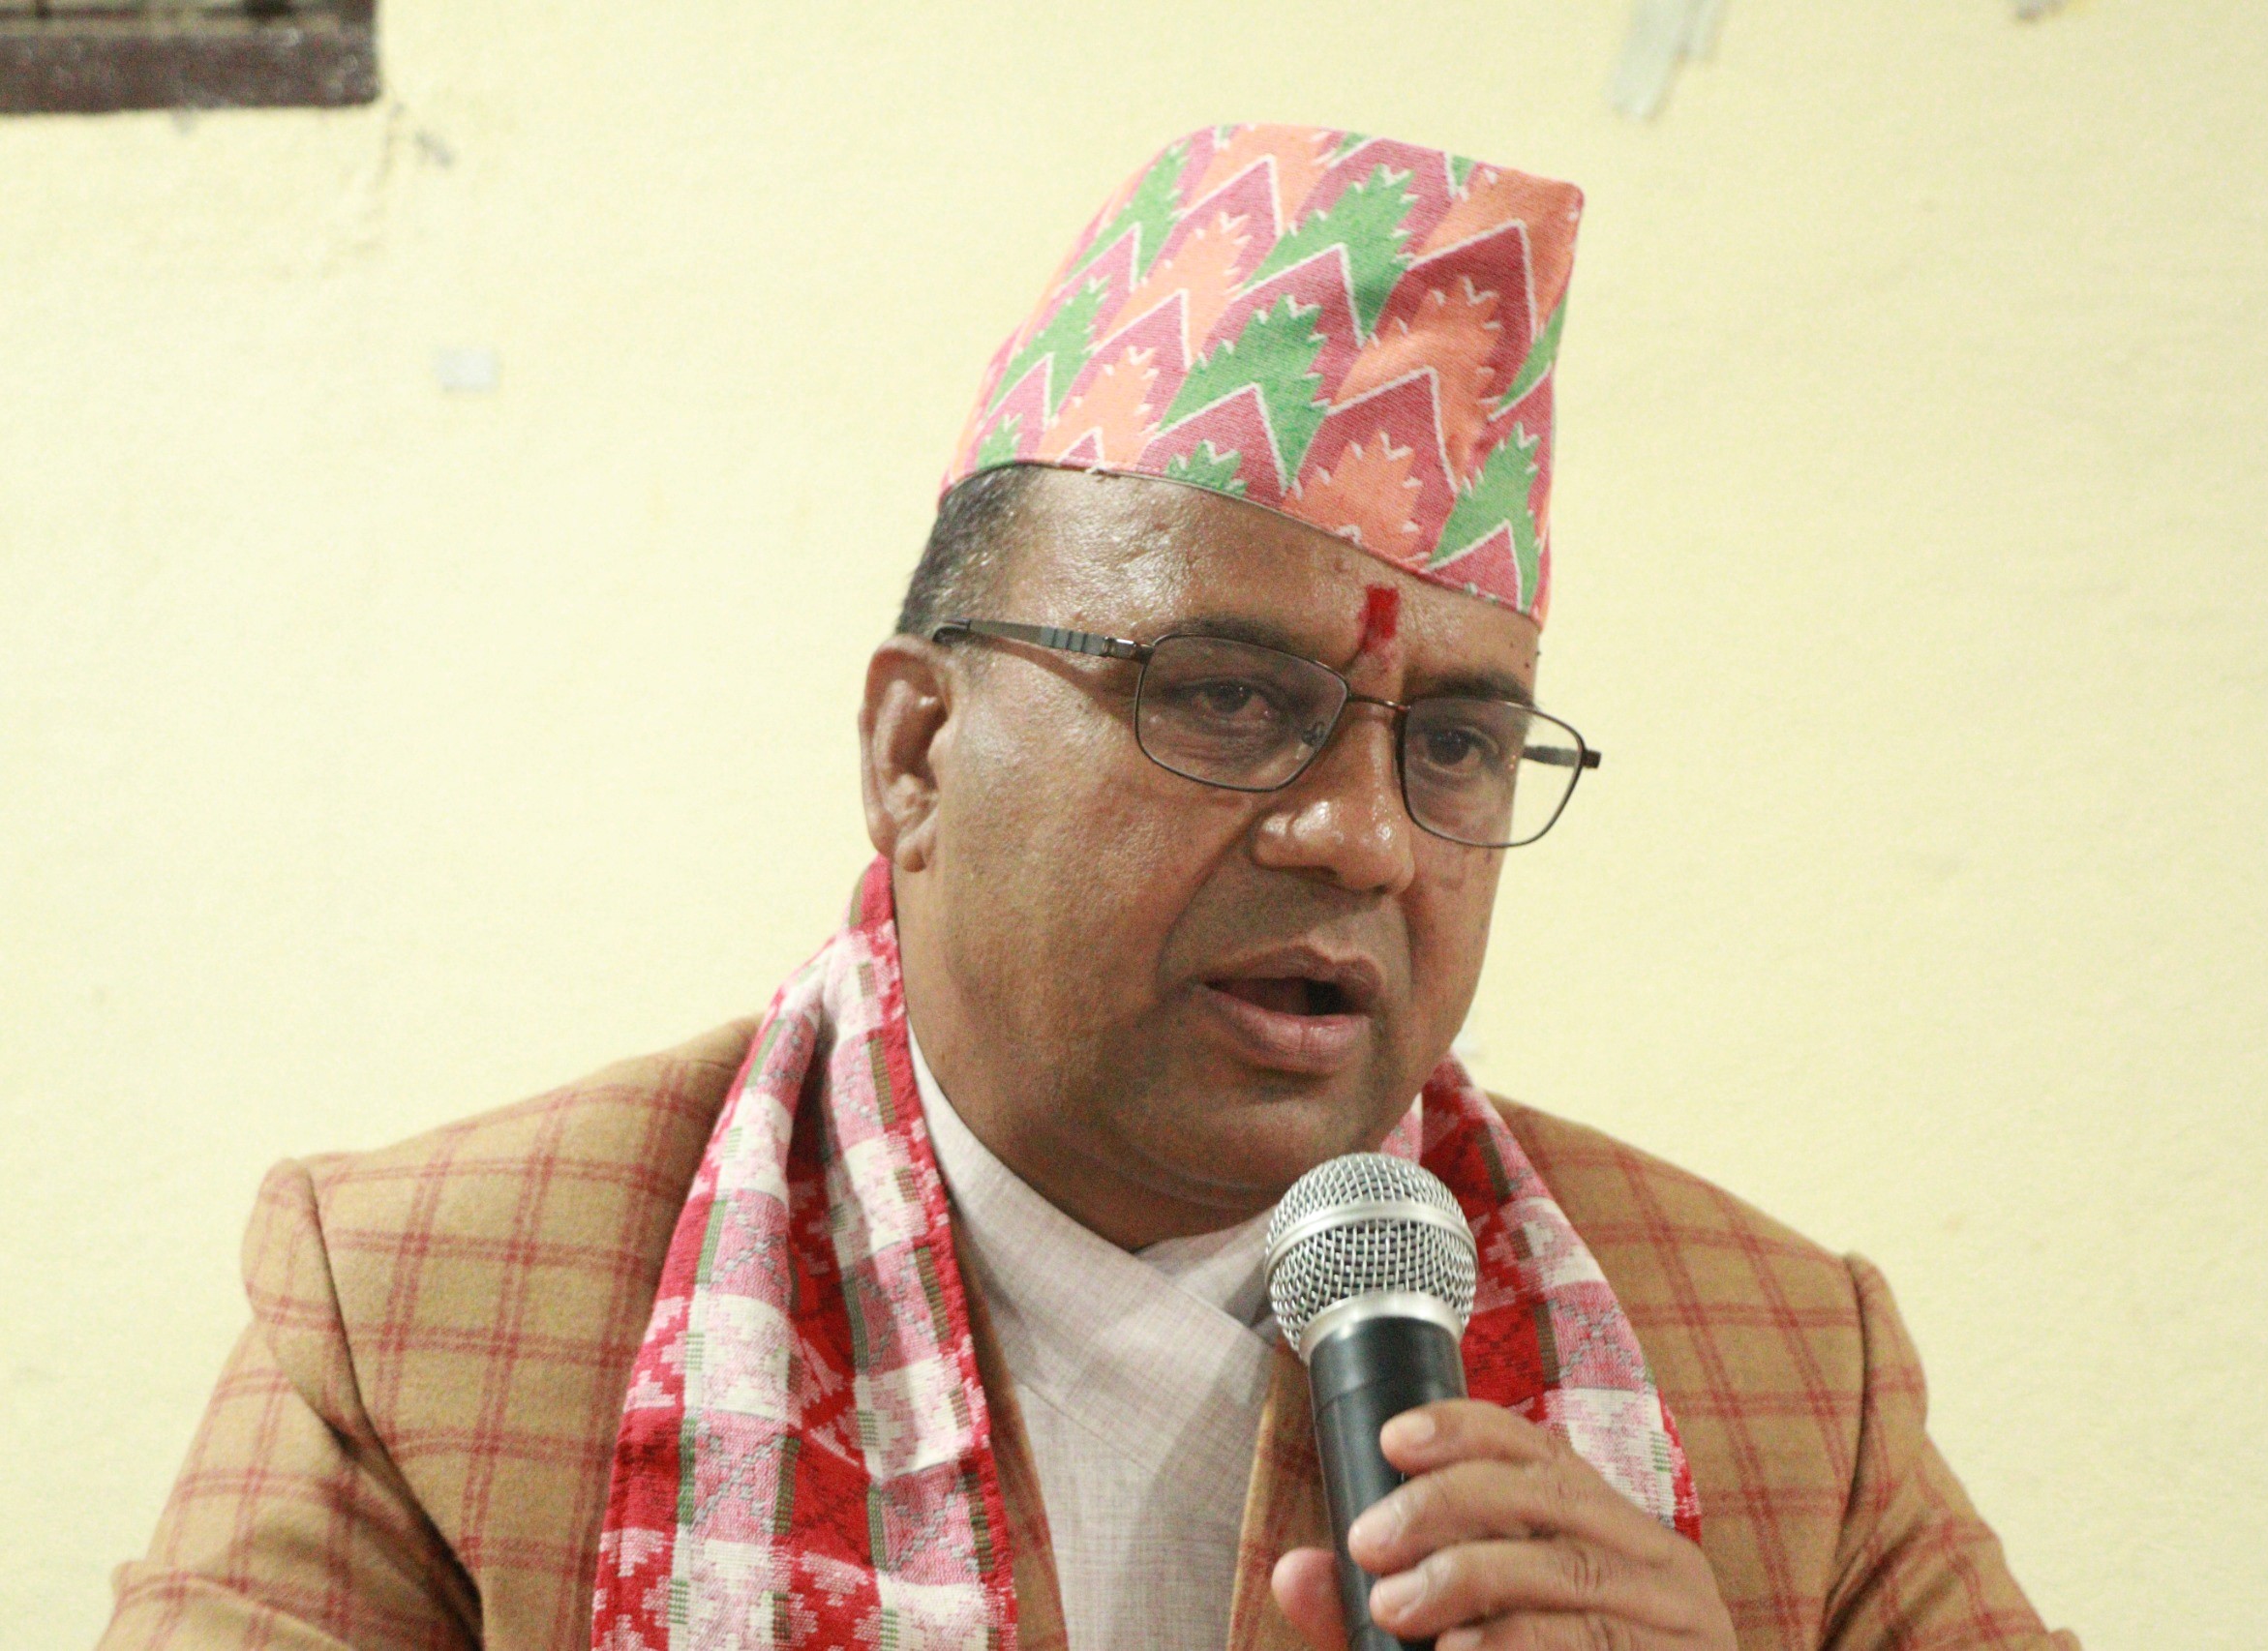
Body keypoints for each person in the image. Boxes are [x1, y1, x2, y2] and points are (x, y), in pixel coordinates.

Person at [102, 125, 2075, 1651]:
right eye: (1226, 697)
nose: (1365, 838)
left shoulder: (1774, 1368)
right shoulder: (433, 1309)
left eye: (1456, 744)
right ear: (914, 751)